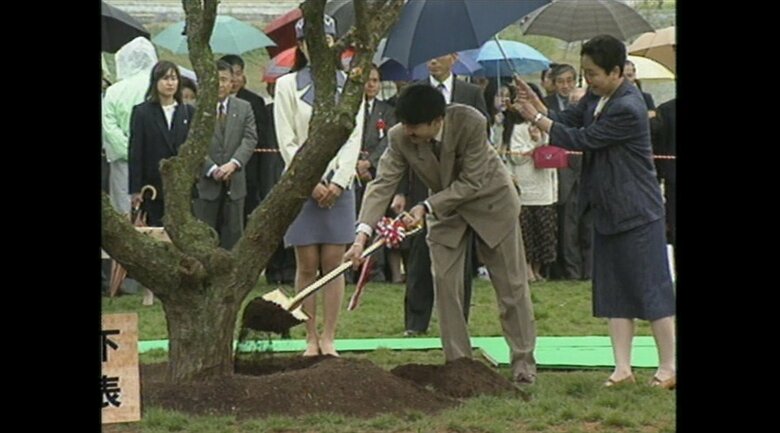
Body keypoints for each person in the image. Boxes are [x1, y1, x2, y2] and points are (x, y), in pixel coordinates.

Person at [513, 34, 676, 389]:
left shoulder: (628, 107)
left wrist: (539, 121)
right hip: (606, 208)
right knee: (613, 290)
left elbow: (582, 139)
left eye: (593, 74)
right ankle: (622, 369)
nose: (588, 81)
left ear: (617, 71)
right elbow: (566, 118)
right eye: (585, 74)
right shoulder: (597, 97)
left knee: (652, 289)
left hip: (637, 210)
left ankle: (669, 367)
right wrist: (537, 105)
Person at [345, 84, 537, 385]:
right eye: (404, 124)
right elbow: (382, 184)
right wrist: (361, 236)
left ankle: (524, 362)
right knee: (446, 286)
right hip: (445, 213)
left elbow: (472, 181)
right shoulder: (399, 136)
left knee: (512, 287)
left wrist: (425, 206)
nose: (408, 132)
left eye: (414, 127)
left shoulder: (471, 121)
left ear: (437, 120)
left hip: (490, 203)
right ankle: (459, 364)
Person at [274, 14, 364, 357]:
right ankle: (309, 338)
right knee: (307, 264)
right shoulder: (286, 86)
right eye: (310, 41)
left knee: (334, 263)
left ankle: (329, 337)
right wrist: (310, 180)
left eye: (326, 40)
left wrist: (339, 181)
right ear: (300, 45)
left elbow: (353, 136)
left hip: (340, 186)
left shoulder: (351, 85)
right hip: (303, 185)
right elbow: (287, 141)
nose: (319, 47)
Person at [193, 60, 258, 250]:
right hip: (206, 183)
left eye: (224, 80)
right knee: (204, 236)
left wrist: (234, 164)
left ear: (232, 83)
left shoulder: (244, 107)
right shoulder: (197, 109)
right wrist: (211, 168)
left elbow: (250, 138)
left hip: (235, 181)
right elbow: (194, 143)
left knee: (234, 235)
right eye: (216, 80)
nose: (220, 85)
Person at [128, 61, 195, 226]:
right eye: (165, 78)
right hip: (153, 187)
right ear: (155, 81)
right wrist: (135, 188)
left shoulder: (187, 111)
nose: (170, 83)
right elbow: (136, 152)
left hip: (181, 186)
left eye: (173, 78)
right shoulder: (142, 112)